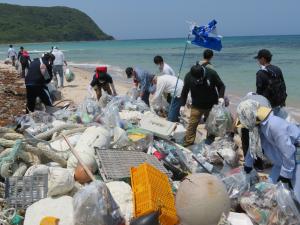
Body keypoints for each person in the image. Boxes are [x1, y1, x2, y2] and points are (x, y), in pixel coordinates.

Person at [236, 99, 300, 204]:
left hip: (296, 158)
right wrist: (247, 166)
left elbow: (288, 151)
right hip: (281, 162)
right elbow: (253, 147)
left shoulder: (274, 125)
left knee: (296, 195)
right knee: (269, 190)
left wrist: (285, 176)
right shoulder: (258, 127)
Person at [180, 63, 225, 147]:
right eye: (196, 79)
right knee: (192, 125)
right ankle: (188, 142)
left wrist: (221, 97)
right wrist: (182, 105)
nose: (198, 80)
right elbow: (184, 91)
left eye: (199, 79)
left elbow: (221, 86)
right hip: (196, 105)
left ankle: (209, 142)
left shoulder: (211, 73)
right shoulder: (189, 76)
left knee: (211, 125)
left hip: (211, 105)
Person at [255, 49, 287, 113]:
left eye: (259, 58)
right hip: (279, 103)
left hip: (267, 106)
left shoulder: (260, 73)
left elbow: (259, 92)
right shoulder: (277, 69)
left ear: (263, 59)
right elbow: (283, 86)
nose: (258, 60)